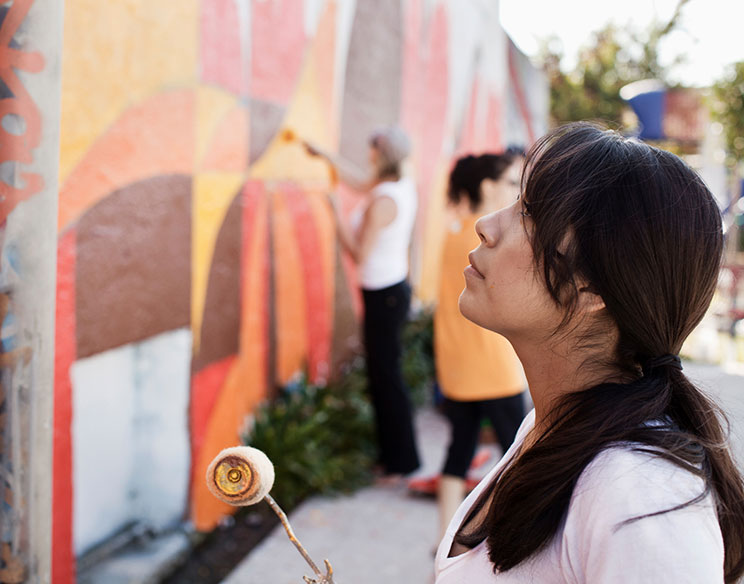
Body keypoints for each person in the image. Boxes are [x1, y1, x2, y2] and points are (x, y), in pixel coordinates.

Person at [435, 122, 744, 582]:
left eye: (531, 213)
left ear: (594, 287)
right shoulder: (549, 425)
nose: (487, 225)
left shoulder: (641, 496)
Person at [408, 153, 528, 540]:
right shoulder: (487, 241)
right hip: (494, 367)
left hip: (458, 367)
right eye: (510, 182)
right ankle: (513, 539)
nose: (516, 190)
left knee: (458, 452)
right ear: (488, 187)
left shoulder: (451, 232)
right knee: (520, 458)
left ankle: (447, 541)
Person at [305, 127, 421, 479]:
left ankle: (399, 463)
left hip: (384, 296)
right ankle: (397, 459)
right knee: (384, 376)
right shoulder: (395, 186)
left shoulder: (384, 202)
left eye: (371, 152)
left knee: (386, 378)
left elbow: (358, 253)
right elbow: (357, 180)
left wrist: (333, 211)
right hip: (388, 292)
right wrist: (323, 153)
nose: (367, 157)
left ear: (379, 156)